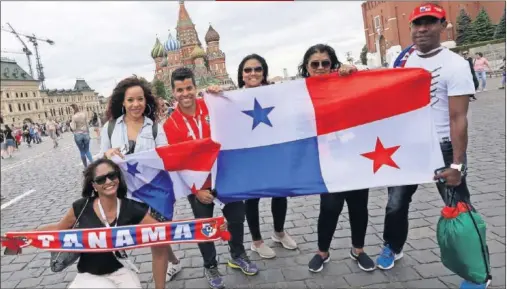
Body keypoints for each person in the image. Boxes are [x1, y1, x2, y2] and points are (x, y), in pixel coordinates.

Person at [376, 4, 490, 289]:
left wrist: (457, 164)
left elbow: (458, 117)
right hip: (410, 147)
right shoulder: (403, 59)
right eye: (417, 23)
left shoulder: (455, 65)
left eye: (429, 23)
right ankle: (393, 245)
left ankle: (478, 273)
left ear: (443, 25)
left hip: (443, 148)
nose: (422, 29)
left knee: (459, 208)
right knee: (395, 204)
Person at [164, 67, 258, 289]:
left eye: (189, 88)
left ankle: (238, 255)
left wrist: (221, 93)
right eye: (180, 90)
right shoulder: (171, 124)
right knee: (204, 228)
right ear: (173, 92)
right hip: (199, 186)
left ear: (195, 87)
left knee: (236, 219)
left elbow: (239, 107)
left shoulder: (212, 106)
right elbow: (178, 163)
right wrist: (196, 190)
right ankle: (210, 265)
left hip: (225, 178)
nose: (185, 93)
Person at [295, 44, 375, 273]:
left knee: (359, 206)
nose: (320, 68)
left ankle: (358, 249)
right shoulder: (299, 92)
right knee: (329, 207)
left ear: (333, 65)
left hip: (355, 155)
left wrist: (354, 72)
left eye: (325, 63)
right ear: (307, 67)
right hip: (327, 159)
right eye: (315, 64)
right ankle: (322, 251)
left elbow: (371, 86)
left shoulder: (346, 84)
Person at [100, 75, 180, 288]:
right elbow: (98, 162)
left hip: (158, 191)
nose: (136, 105)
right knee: (157, 235)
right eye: (130, 100)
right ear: (122, 103)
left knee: (158, 241)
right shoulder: (110, 128)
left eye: (140, 99)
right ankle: (174, 261)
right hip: (127, 194)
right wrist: (107, 153)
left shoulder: (154, 127)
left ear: (146, 101)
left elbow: (165, 156)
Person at [34, 158, 161, 288]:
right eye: (101, 179)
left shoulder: (131, 208)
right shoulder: (81, 207)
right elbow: (58, 228)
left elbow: (162, 233)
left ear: (118, 177)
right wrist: (26, 236)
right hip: (88, 275)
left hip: (121, 271)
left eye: (112, 176)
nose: (109, 181)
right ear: (94, 185)